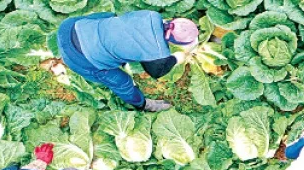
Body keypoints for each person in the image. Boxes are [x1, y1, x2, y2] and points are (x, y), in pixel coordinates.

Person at [56, 11, 199, 112]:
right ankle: (142, 104)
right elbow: (156, 71)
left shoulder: (152, 15)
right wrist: (177, 58)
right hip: (80, 59)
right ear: (174, 42)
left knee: (109, 17)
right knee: (123, 82)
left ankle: (107, 51)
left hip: (69, 27)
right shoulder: (156, 50)